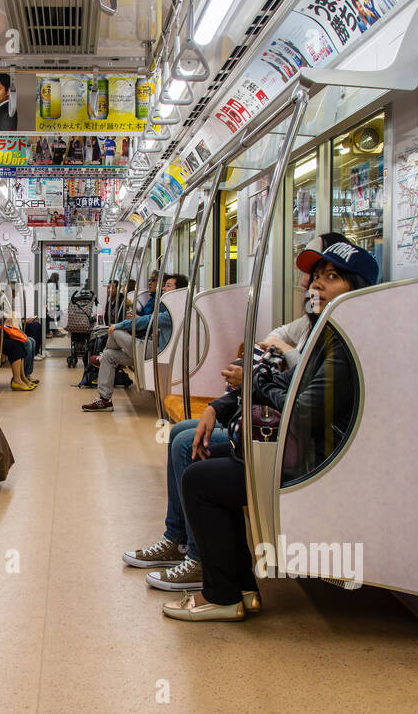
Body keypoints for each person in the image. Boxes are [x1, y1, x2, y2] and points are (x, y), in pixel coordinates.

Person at [127, 233, 360, 590]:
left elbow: (298, 401)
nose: (314, 284)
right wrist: (227, 402)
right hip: (285, 434)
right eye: (315, 276)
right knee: (181, 435)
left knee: (190, 455)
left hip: (302, 451)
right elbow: (271, 354)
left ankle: (200, 559)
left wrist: (261, 379)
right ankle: (179, 539)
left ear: (355, 288)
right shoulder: (314, 327)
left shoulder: (340, 340)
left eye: (330, 277)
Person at [82, 274, 186, 412]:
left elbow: (149, 320)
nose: (163, 288)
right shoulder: (165, 307)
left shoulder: (174, 312)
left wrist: (120, 325)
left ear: (178, 291)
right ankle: (104, 400)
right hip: (151, 346)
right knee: (109, 355)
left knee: (115, 331)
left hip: (159, 351)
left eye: (168, 285)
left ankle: (100, 357)